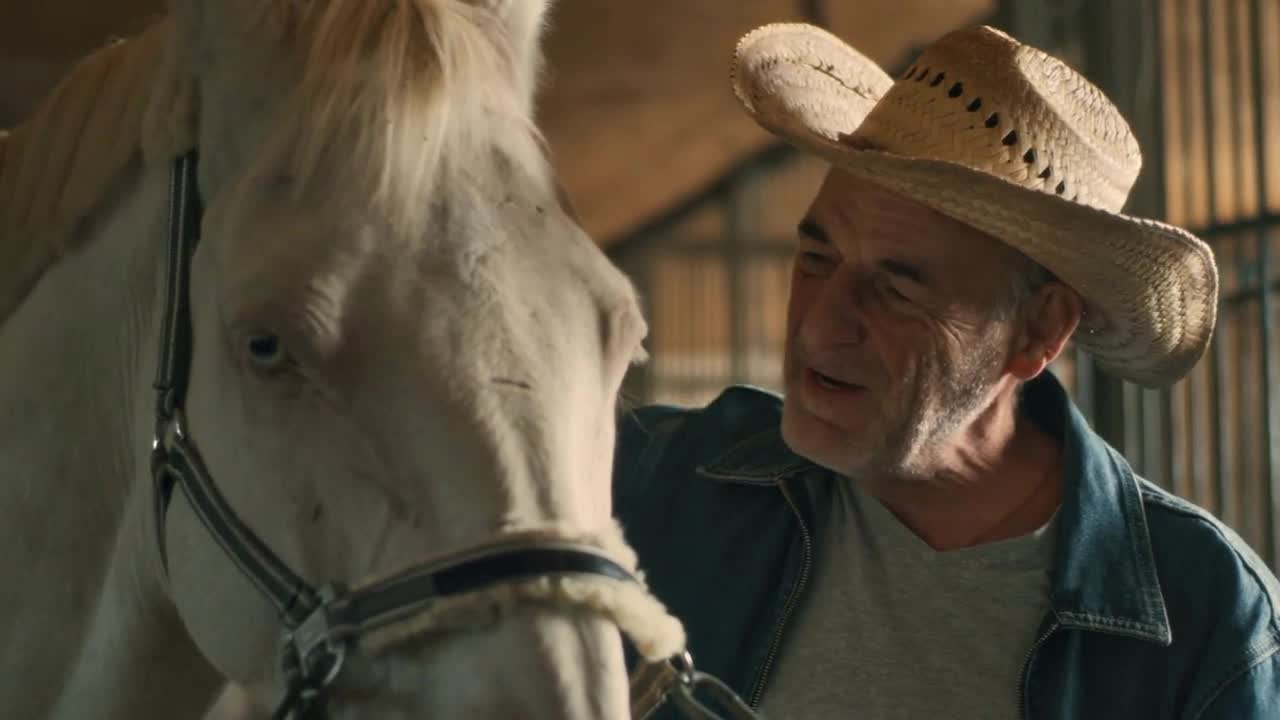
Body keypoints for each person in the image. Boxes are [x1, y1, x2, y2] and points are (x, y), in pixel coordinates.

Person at [615, 22, 1279, 719]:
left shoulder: (1208, 624)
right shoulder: (655, 480)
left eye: (898, 291)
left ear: (1040, 329)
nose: (818, 326)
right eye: (816, 259)